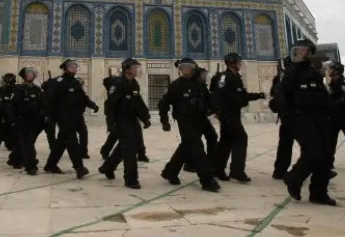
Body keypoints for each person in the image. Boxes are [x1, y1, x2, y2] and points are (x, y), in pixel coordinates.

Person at [274, 40, 336, 205]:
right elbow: (280, 93)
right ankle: (294, 178)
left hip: (318, 118)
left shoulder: (315, 73)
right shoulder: (291, 72)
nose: (299, 54)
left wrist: (330, 110)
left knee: (325, 154)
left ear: (310, 53)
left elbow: (323, 95)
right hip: (299, 117)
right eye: (297, 50)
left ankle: (319, 192)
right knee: (312, 150)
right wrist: (286, 112)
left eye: (302, 51)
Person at [159, 58, 220, 192]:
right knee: (196, 147)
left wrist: (217, 111)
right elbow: (163, 103)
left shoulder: (199, 84)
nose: (185, 70)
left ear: (193, 69)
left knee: (209, 138)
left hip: (201, 118)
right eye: (183, 67)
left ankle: (170, 171)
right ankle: (207, 180)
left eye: (188, 67)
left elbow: (208, 99)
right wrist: (164, 121)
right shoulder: (176, 85)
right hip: (185, 121)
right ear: (180, 69)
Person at [211, 52, 265, 182]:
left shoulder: (230, 77)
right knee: (241, 138)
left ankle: (217, 169)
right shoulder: (227, 77)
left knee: (226, 141)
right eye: (238, 62)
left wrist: (258, 95)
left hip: (229, 114)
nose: (240, 65)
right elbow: (222, 95)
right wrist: (219, 110)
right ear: (233, 63)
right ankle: (237, 171)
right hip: (228, 114)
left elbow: (241, 95)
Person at [99, 58, 151, 189]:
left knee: (126, 145)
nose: (136, 70)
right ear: (127, 69)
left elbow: (138, 102)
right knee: (129, 147)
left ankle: (108, 167)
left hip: (132, 118)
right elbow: (110, 105)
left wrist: (145, 117)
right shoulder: (118, 84)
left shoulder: (134, 83)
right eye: (134, 67)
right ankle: (131, 179)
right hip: (121, 119)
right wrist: (111, 123)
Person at [43, 59, 96, 179]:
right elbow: (48, 100)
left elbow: (83, 97)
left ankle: (50, 165)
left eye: (75, 67)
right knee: (72, 141)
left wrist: (92, 105)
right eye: (71, 67)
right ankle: (79, 168)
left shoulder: (75, 82)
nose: (74, 68)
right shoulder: (58, 82)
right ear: (65, 68)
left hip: (75, 116)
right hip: (63, 117)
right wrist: (48, 115)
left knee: (61, 142)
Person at [8, 67, 46, 175]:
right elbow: (11, 106)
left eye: (32, 73)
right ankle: (31, 166)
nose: (30, 75)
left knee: (25, 142)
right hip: (22, 120)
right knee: (28, 143)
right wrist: (13, 120)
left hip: (35, 121)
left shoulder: (37, 89)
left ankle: (14, 159)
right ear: (24, 76)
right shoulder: (19, 89)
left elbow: (42, 104)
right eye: (28, 73)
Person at [269, 57, 295, 180]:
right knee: (311, 144)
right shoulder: (290, 77)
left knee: (285, 144)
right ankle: (320, 169)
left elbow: (273, 93)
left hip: (286, 115)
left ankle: (279, 171)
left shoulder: (280, 78)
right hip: (293, 115)